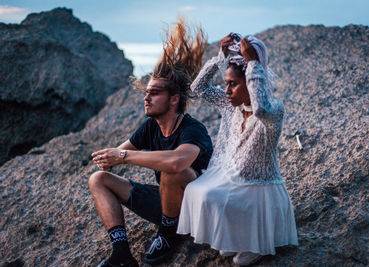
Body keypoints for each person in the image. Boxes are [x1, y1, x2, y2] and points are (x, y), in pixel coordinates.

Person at [88, 18, 212, 267]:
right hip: (168, 205)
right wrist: (107, 158)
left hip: (197, 211)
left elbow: (178, 162)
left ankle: (168, 235)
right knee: (98, 179)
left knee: (171, 171)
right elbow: (116, 156)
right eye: (146, 93)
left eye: (154, 93)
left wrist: (123, 157)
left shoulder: (193, 129)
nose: (146, 98)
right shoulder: (150, 127)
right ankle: (122, 254)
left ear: (174, 99)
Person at [177, 33, 298, 266]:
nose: (227, 90)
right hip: (233, 177)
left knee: (212, 195)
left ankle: (257, 244)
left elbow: (260, 108)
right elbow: (198, 88)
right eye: (226, 84)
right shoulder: (233, 106)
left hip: (258, 187)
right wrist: (221, 57)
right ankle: (237, 238)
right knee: (198, 191)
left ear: (251, 83)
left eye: (233, 84)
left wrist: (253, 64)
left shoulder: (273, 111)